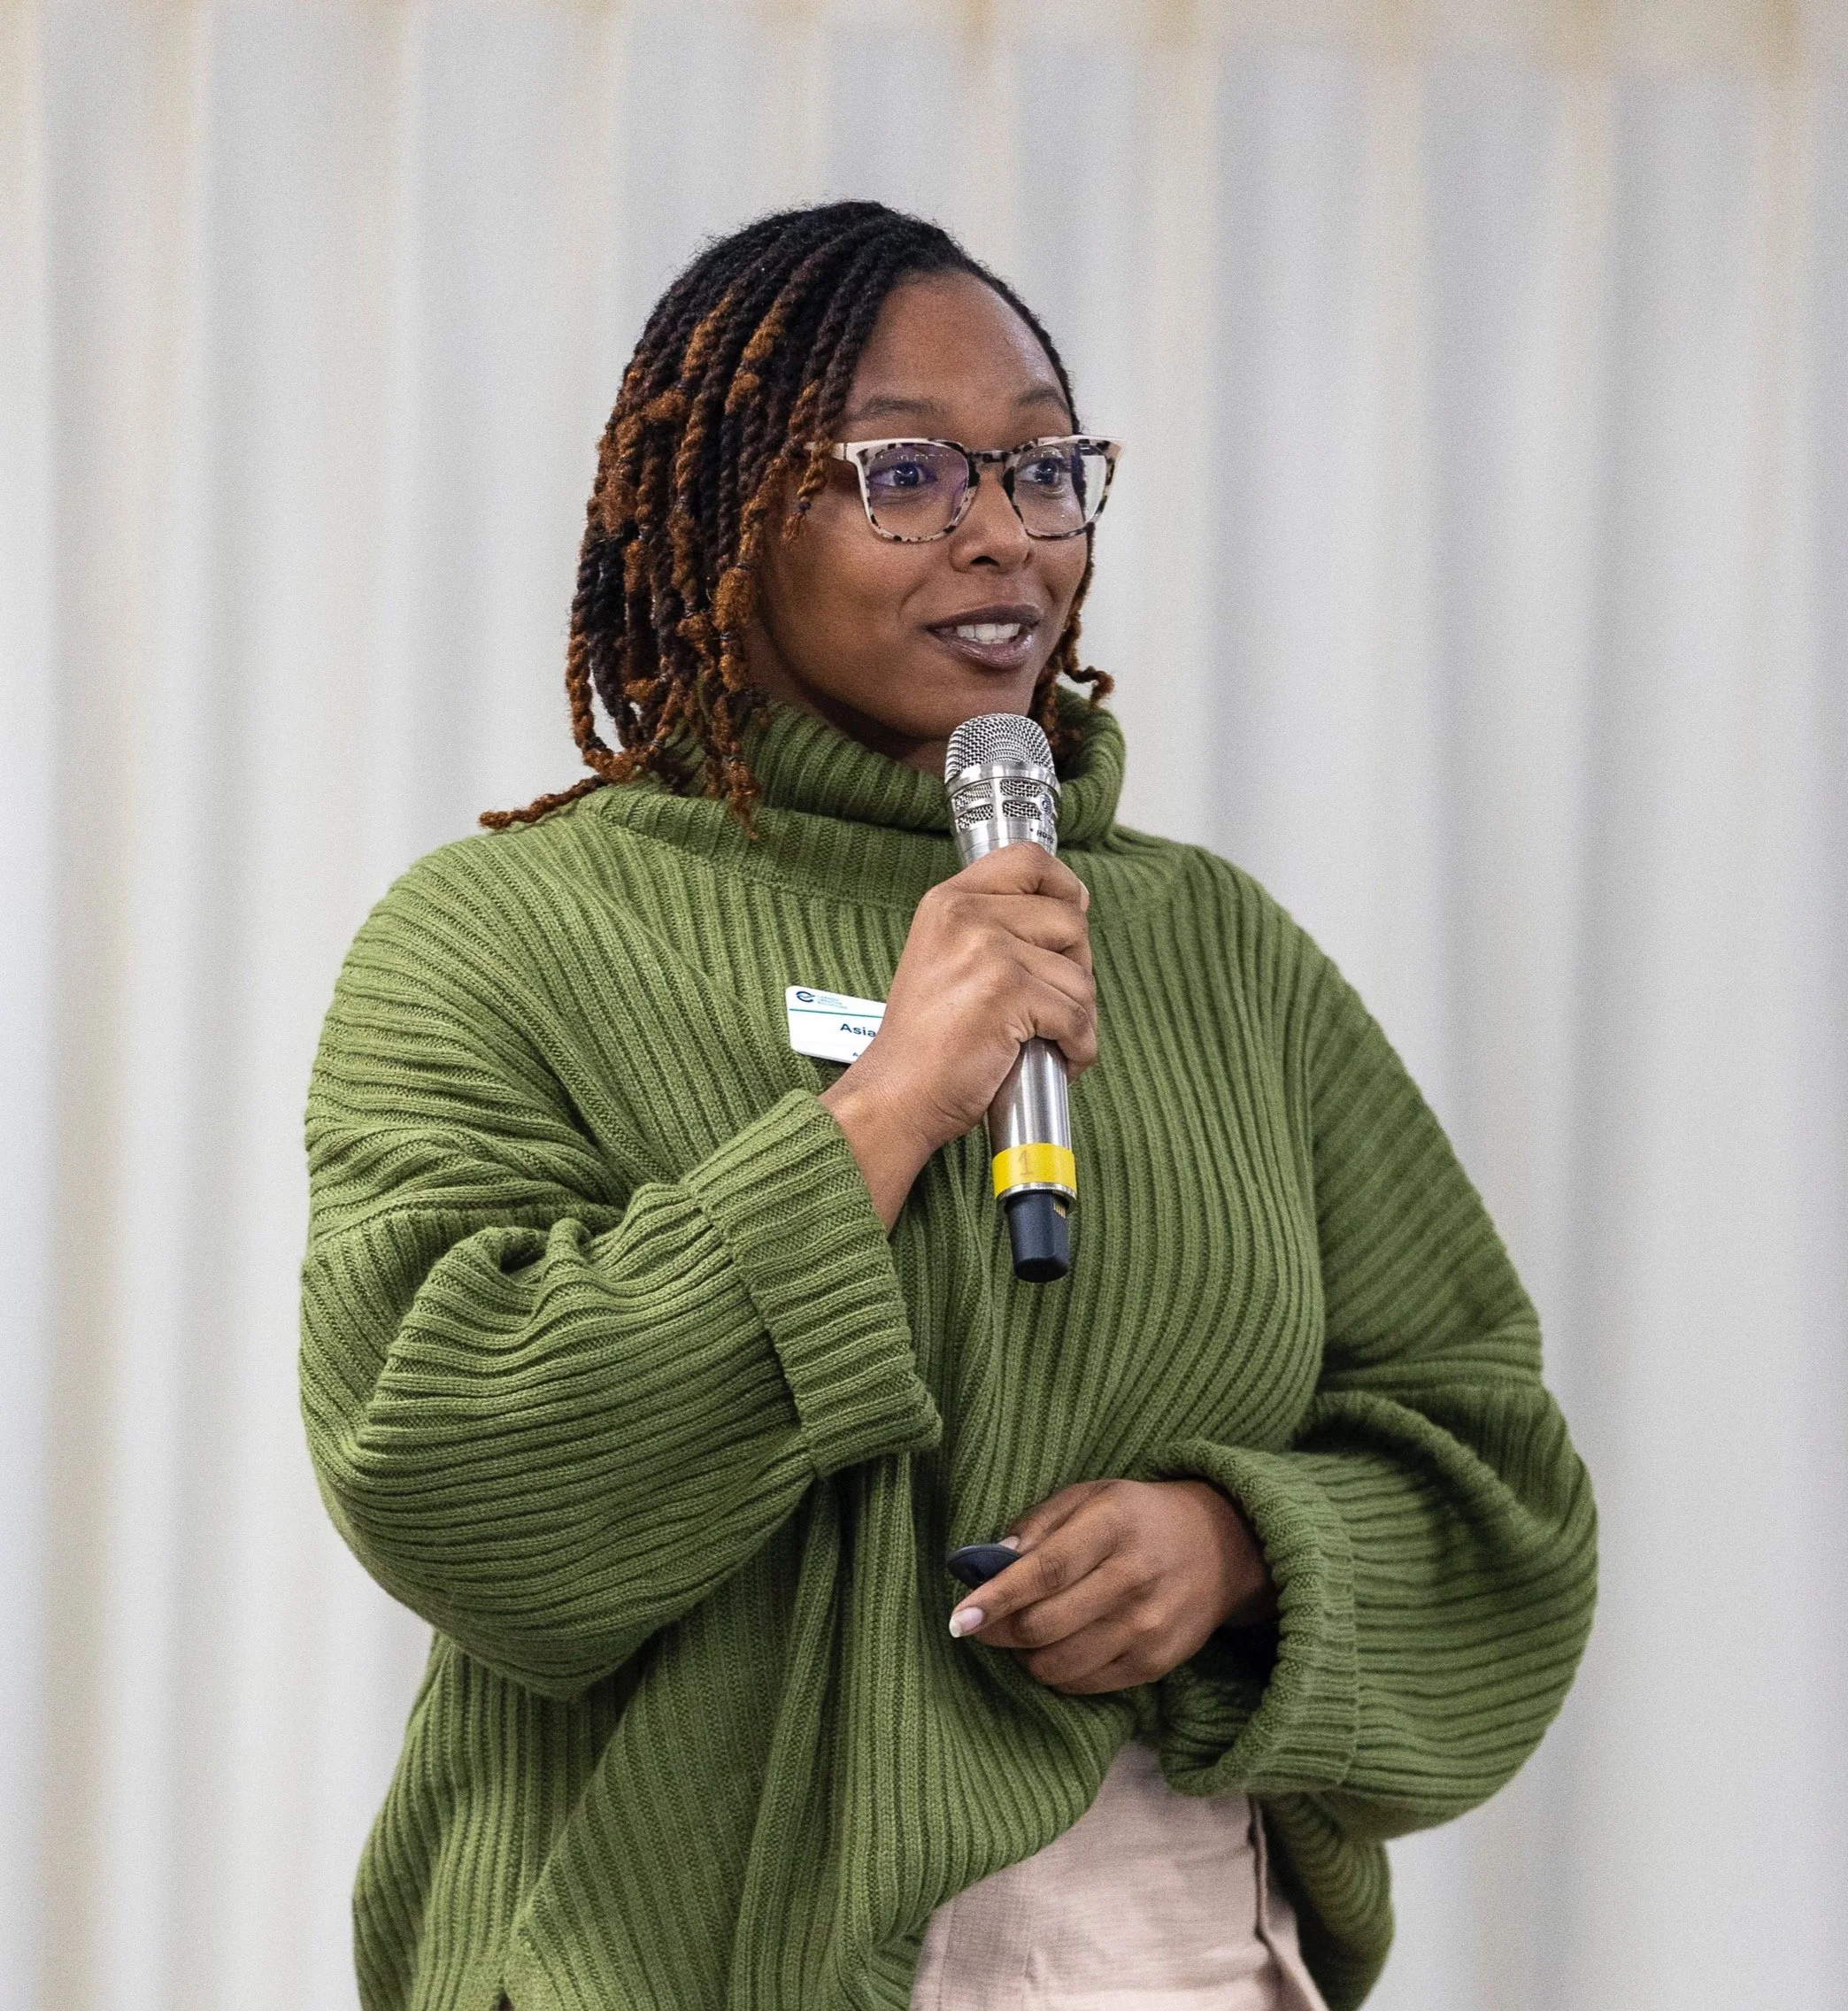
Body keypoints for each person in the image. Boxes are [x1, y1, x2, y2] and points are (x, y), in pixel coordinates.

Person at [300, 201, 1597, 2011]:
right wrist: (890, 1099)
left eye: (1043, 466)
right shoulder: (502, 934)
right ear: (731, 511)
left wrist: (1234, 1550)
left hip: (1158, 1946)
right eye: (902, 471)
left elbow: (1497, 1487)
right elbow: (447, 1468)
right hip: (669, 1960)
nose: (1000, 531)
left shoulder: (1219, 952)